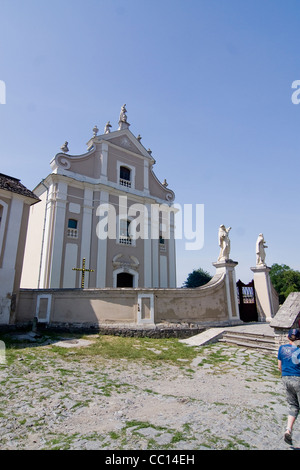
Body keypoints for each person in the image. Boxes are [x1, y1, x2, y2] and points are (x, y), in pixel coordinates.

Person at [278, 328, 300, 445]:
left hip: (286, 378)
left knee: (293, 406)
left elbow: (279, 367)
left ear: (287, 337)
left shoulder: (282, 348)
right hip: (298, 378)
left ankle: (288, 430)